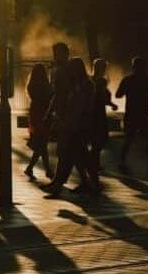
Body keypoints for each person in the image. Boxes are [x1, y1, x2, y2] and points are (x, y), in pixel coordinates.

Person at [43, 57, 95, 194]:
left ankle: (59, 185)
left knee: (68, 154)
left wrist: (77, 121)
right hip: (71, 124)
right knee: (74, 155)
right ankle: (87, 183)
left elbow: (85, 106)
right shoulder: (74, 84)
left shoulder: (85, 85)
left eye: (71, 69)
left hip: (77, 125)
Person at [116, 56, 148, 173]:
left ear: (133, 67)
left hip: (131, 114)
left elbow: (118, 95)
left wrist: (126, 90)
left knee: (129, 138)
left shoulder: (127, 80)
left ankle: (122, 162)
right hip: (144, 114)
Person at [89, 58, 118, 179]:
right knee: (100, 139)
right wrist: (112, 104)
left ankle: (94, 163)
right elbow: (101, 98)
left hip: (93, 113)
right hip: (98, 113)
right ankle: (92, 163)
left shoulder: (91, 80)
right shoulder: (100, 81)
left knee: (97, 140)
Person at [25, 63, 53, 180]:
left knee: (41, 143)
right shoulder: (45, 86)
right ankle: (47, 170)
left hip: (35, 113)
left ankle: (32, 168)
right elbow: (50, 97)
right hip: (43, 114)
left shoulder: (31, 85)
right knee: (42, 142)